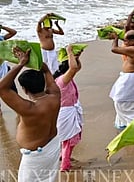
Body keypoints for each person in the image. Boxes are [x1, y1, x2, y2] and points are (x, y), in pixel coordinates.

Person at [0, 48, 61, 182]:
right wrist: (33, 61)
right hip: (52, 147)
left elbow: (2, 88)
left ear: (24, 89)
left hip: (36, 156)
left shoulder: (29, 108)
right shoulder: (55, 96)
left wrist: (21, 63)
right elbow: (46, 70)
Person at [109, 29, 134, 129]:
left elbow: (114, 49)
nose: (124, 43)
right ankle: (123, 123)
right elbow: (130, 39)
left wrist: (115, 39)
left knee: (120, 101)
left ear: (133, 41)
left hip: (131, 78)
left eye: (126, 41)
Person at [53, 45, 84, 171]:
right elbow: (74, 68)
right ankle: (65, 165)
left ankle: (63, 156)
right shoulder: (62, 80)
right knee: (69, 140)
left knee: (67, 139)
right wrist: (69, 51)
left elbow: (76, 67)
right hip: (66, 112)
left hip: (68, 110)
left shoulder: (63, 78)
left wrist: (76, 56)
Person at [0, 24, 18, 113]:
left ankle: (18, 106)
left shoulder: (1, 39)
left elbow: (13, 32)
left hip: (4, 68)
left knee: (13, 89)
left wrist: (3, 27)